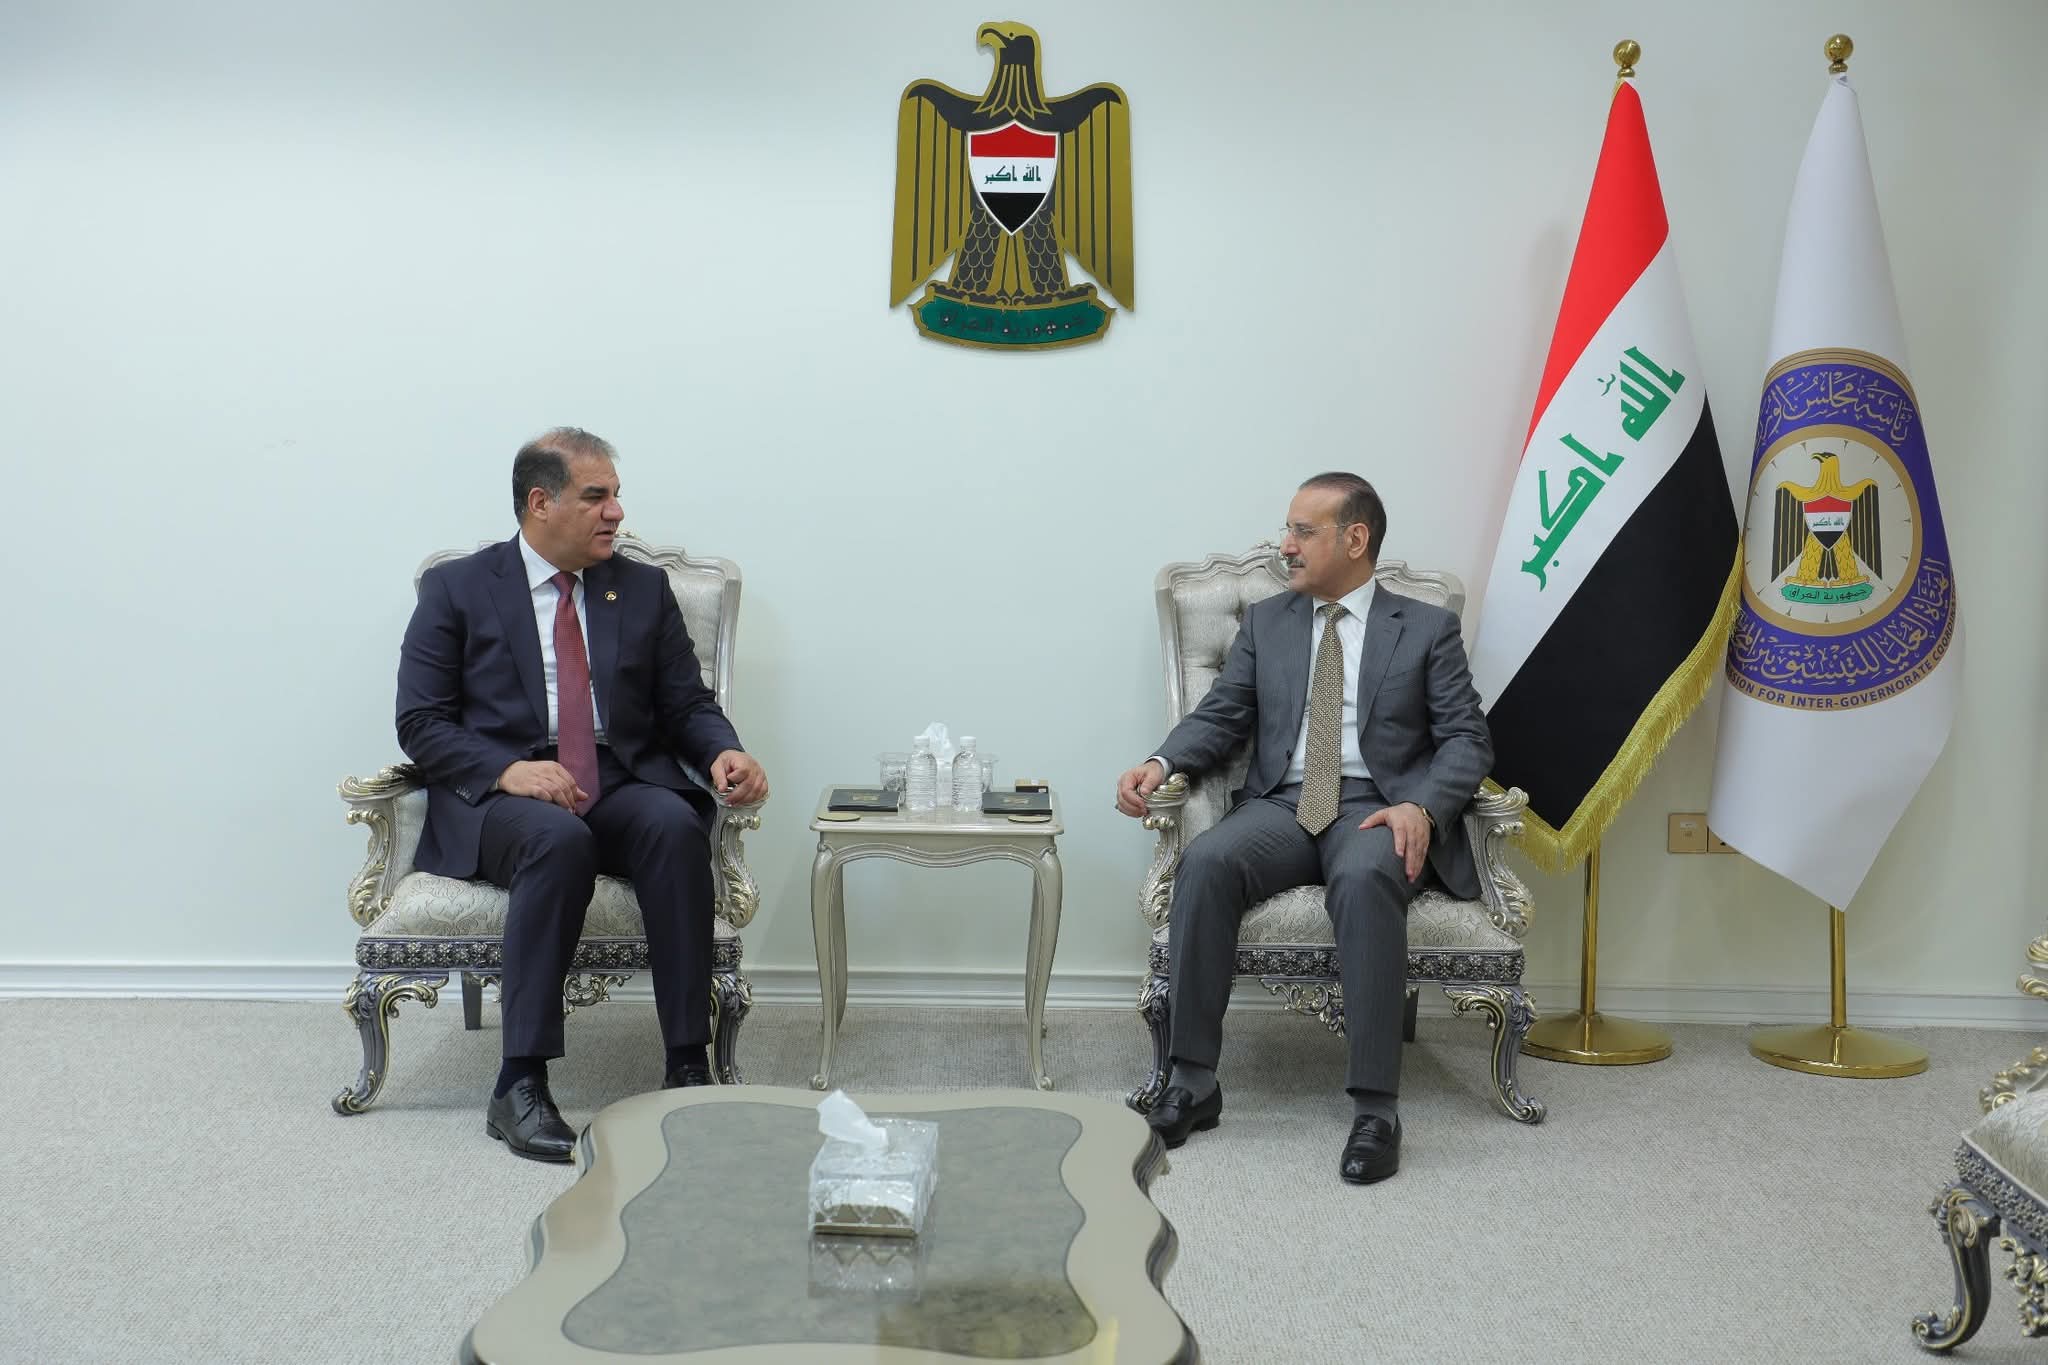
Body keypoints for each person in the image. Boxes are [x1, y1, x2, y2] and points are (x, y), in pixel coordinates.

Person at [395, 427, 768, 1163]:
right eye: (597, 496)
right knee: (556, 840)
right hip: (502, 796)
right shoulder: (459, 588)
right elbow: (421, 721)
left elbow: (685, 704)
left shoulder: (640, 588)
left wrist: (722, 750)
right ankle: (519, 1081)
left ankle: (687, 1064)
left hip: (613, 776)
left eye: (616, 496)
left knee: (674, 824)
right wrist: (507, 772)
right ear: (541, 503)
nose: (616, 513)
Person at [1113, 472, 1490, 1184]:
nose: (1285, 545)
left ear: (1356, 538)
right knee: (1206, 861)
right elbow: (1222, 715)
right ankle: (1191, 1082)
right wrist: (1160, 762)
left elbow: (1468, 740)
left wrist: (1421, 806)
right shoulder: (1268, 623)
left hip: (1376, 805)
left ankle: (1376, 1109)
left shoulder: (1425, 628)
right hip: (1283, 805)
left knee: (1367, 874)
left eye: (1302, 531)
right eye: (1287, 529)